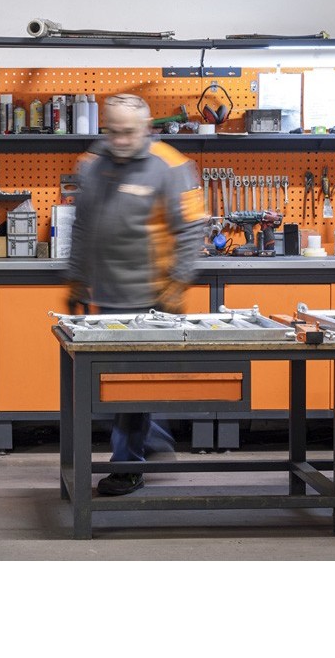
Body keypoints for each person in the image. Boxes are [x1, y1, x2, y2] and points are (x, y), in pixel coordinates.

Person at [65, 93, 206, 496]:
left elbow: (191, 228)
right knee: (119, 385)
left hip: (153, 298)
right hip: (108, 295)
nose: (121, 140)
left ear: (146, 128)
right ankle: (153, 439)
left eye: (129, 132)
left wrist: (177, 284)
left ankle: (128, 466)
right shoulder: (93, 164)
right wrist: (77, 278)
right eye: (113, 131)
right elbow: (82, 226)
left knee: (128, 387)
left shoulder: (170, 165)